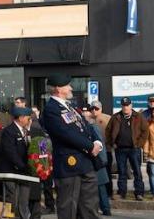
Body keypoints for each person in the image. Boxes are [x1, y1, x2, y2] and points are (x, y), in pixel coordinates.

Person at [41, 74, 101, 219]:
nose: (71, 88)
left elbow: (86, 126)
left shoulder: (70, 106)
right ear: (58, 89)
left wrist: (97, 142)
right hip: (69, 165)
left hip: (85, 162)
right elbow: (66, 133)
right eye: (68, 85)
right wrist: (89, 146)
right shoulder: (51, 109)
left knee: (90, 208)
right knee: (68, 209)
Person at [105, 97, 148, 201]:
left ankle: (139, 193)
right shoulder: (116, 117)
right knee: (122, 172)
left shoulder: (138, 116)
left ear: (131, 105)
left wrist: (139, 144)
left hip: (134, 149)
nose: (126, 107)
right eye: (124, 105)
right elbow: (108, 131)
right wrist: (112, 143)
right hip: (120, 149)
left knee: (137, 171)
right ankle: (121, 193)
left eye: (127, 105)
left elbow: (145, 131)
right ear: (122, 106)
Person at [0, 106, 35, 219]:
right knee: (13, 200)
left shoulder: (26, 131)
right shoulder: (9, 131)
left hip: (24, 173)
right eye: (28, 118)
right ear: (21, 118)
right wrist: (22, 166)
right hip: (12, 171)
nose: (29, 120)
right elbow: (10, 152)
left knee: (23, 200)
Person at [83, 107, 111, 216]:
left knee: (100, 187)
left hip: (97, 161)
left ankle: (105, 208)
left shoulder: (93, 127)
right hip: (93, 161)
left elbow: (100, 145)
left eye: (86, 115)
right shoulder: (88, 127)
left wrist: (103, 160)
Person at [143, 106, 154, 200]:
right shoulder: (150, 125)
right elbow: (147, 140)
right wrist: (145, 151)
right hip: (152, 154)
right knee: (153, 175)